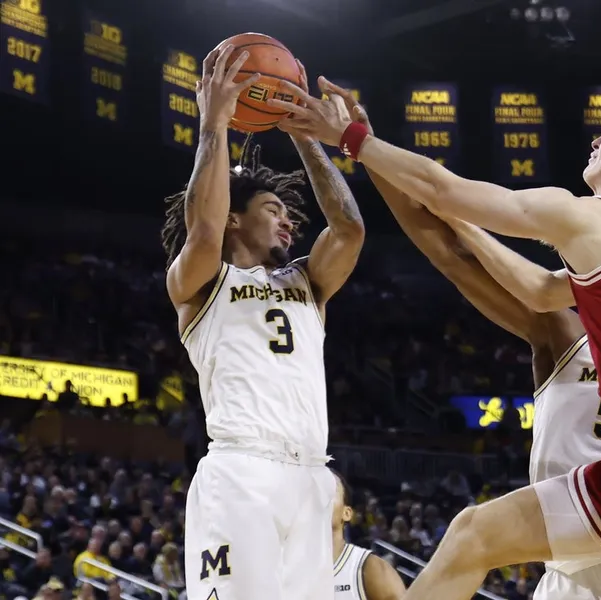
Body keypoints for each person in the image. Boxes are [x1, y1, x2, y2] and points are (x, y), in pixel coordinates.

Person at [269, 75, 601, 600]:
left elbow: (446, 190)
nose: (597, 139)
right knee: (474, 534)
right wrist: (454, 219)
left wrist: (352, 139)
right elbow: (541, 291)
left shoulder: (597, 216)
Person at [161, 47, 364, 600]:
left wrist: (306, 138)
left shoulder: (308, 283)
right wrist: (214, 125)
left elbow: (349, 230)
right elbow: (203, 230)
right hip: (242, 471)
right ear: (235, 218)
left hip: (312, 477)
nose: (288, 221)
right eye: (273, 209)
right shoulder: (201, 282)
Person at [331, 469, 407, 600]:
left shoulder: (370, 569)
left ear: (347, 513)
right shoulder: (292, 565)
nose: (319, 499)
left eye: (328, 491)